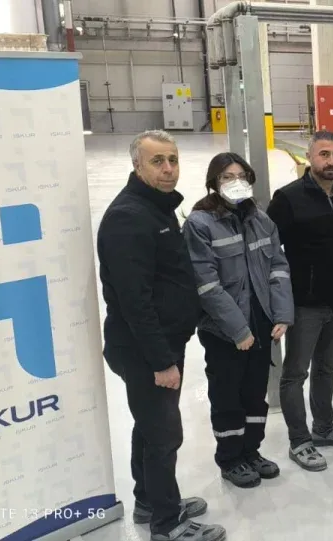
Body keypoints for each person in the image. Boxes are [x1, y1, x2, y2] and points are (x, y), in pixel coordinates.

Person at [96, 130, 223, 541]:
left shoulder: (156, 207)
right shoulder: (129, 218)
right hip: (145, 350)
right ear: (137, 166)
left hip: (162, 343)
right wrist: (161, 361)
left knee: (149, 428)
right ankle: (167, 525)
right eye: (157, 161)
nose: (168, 169)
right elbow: (135, 302)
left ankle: (150, 502)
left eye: (173, 159)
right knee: (165, 435)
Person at [183, 152, 293, 488]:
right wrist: (238, 330)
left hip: (261, 324)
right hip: (224, 331)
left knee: (255, 394)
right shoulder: (199, 224)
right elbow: (207, 286)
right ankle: (231, 459)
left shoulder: (260, 219)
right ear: (214, 183)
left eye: (241, 176)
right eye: (227, 177)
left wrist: (282, 314)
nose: (236, 182)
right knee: (227, 396)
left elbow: (278, 266)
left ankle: (251, 451)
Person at [267, 131, 333, 473]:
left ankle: (324, 428)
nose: (331, 161)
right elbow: (269, 251)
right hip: (304, 304)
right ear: (309, 157)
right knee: (295, 373)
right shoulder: (288, 198)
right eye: (324, 154)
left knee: (326, 367)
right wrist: (278, 301)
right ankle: (299, 440)